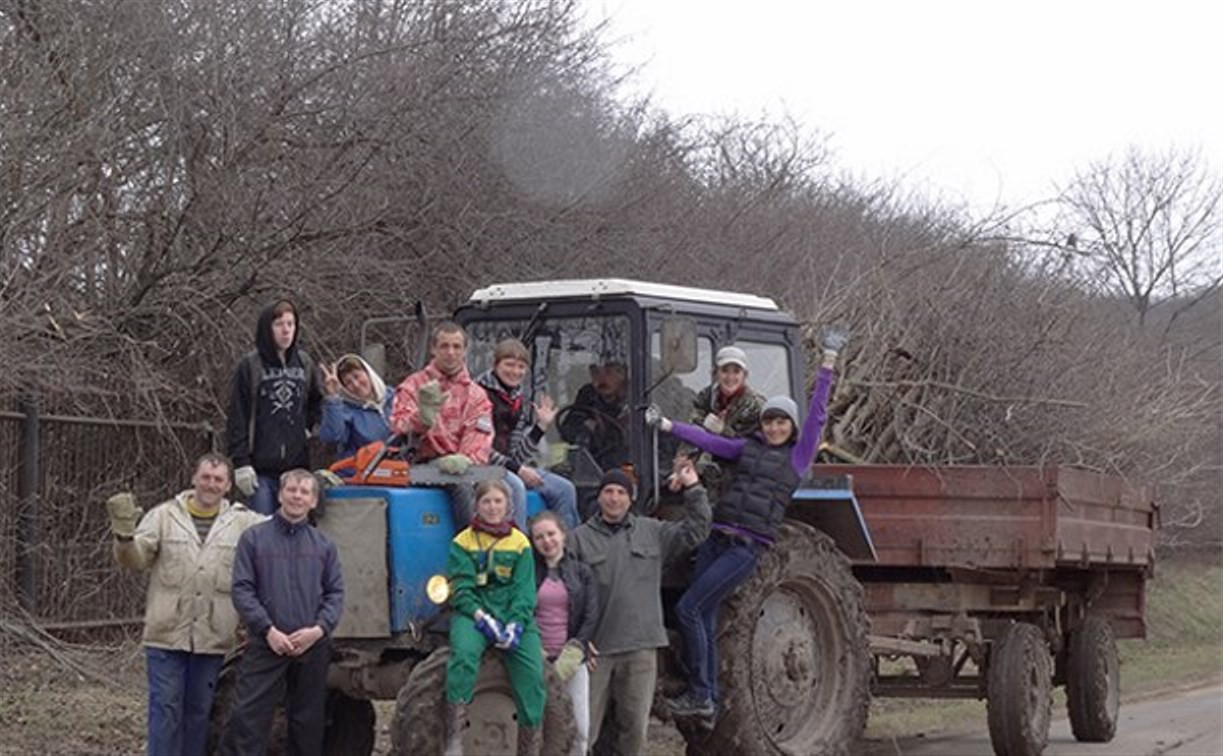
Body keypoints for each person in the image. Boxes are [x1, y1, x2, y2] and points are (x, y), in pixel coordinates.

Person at [647, 328, 847, 721]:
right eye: (769, 422)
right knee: (702, 614)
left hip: (745, 547)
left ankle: (702, 693)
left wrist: (828, 362)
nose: (774, 428)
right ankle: (706, 700)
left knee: (688, 608)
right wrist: (667, 425)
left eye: (781, 422)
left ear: (790, 426)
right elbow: (709, 441)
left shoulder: (797, 458)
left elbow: (819, 412)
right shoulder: (746, 447)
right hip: (716, 539)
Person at [106, 453, 265, 756]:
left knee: (198, 713)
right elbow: (136, 559)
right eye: (205, 477)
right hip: (167, 635)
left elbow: (280, 530)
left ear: (228, 485)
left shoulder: (243, 522)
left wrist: (317, 492)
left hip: (213, 638)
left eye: (218, 479)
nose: (211, 484)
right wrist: (124, 537)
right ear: (194, 478)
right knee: (165, 711)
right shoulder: (165, 515)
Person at [567, 466, 711, 755]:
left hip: (641, 649)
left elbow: (697, 529)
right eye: (608, 491)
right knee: (583, 732)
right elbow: (568, 596)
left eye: (621, 492)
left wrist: (693, 488)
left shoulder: (653, 531)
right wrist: (578, 640)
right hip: (597, 652)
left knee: (634, 730)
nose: (614, 498)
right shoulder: (578, 539)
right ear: (599, 497)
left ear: (631, 499)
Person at [222, 469, 345, 756]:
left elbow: (335, 594)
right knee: (247, 720)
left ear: (313, 501)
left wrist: (318, 630)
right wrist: (268, 630)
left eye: (304, 492)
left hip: (312, 646)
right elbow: (242, 589)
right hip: (266, 644)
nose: (297, 496)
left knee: (308, 725)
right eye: (292, 490)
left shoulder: (324, 546)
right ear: (280, 495)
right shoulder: (253, 539)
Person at [444, 479, 545, 756]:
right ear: (476, 505)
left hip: (513, 613)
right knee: (463, 657)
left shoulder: (520, 543)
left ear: (508, 505)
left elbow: (524, 590)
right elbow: (461, 588)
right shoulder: (462, 541)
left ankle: (529, 747)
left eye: (498, 501)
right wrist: (480, 617)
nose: (492, 507)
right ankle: (453, 740)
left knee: (532, 673)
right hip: (473, 612)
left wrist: (515, 624)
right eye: (486, 501)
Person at [391, 321, 495, 525]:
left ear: (465, 351)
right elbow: (397, 426)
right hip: (420, 465)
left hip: (465, 465)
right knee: (461, 486)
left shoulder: (476, 395)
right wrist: (421, 419)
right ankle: (468, 547)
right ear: (433, 349)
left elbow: (480, 436)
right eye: (444, 346)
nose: (450, 352)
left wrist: (466, 459)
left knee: (505, 489)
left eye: (456, 347)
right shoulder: (414, 385)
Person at [225, 299, 324, 515]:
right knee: (262, 529)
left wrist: (306, 428)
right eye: (279, 324)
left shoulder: (304, 363)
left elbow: (317, 402)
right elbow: (237, 416)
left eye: (291, 324)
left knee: (294, 533)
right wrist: (241, 462)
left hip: (297, 469)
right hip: (260, 469)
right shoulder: (250, 365)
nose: (286, 330)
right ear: (267, 327)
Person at [475, 338, 580, 529]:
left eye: (521, 367)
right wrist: (518, 469)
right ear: (495, 364)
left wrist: (540, 427)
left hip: (507, 467)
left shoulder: (518, 401)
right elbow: (480, 449)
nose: (515, 371)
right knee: (516, 486)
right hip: (482, 467)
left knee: (565, 489)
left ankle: (566, 551)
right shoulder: (478, 395)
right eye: (509, 365)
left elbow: (516, 454)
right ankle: (519, 550)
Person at [528, 510, 599, 756]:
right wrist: (533, 647)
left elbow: (591, 615)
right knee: (538, 728)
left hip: (572, 661)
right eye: (539, 537)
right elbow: (522, 611)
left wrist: (577, 647)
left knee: (580, 729)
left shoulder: (582, 572)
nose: (547, 541)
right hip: (536, 659)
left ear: (563, 534)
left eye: (551, 534)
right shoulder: (528, 573)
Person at [673, 346, 765, 500]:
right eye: (724, 371)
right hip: (711, 469)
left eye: (736, 371)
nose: (730, 377)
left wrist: (723, 430)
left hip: (743, 475)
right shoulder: (706, 397)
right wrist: (681, 464)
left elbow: (751, 446)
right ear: (715, 373)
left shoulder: (756, 406)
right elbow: (694, 432)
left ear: (745, 375)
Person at [558, 360, 630, 472]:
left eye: (608, 372)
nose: (601, 379)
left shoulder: (638, 396)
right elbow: (568, 430)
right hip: (593, 469)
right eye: (595, 372)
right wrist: (585, 427)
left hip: (628, 467)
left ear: (622, 375)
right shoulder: (588, 395)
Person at [319, 353, 393, 460]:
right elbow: (332, 437)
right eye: (348, 383)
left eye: (357, 376)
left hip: (400, 468)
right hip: (363, 472)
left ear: (368, 373)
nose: (356, 384)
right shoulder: (345, 411)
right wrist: (333, 397)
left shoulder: (396, 397)